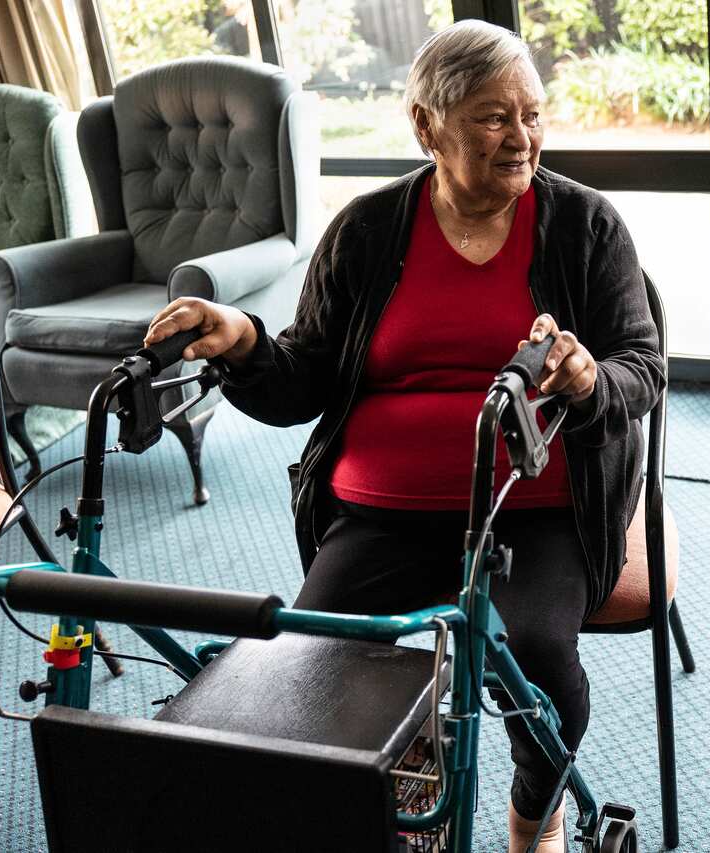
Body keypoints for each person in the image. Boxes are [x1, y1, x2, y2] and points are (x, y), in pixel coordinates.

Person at [143, 20, 664, 852]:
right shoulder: (369, 230)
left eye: (532, 113)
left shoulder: (584, 226)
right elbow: (304, 379)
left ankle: (539, 810)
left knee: (533, 652)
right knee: (314, 660)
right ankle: (403, 785)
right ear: (428, 125)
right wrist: (244, 341)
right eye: (495, 117)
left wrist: (589, 377)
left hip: (533, 509)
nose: (522, 136)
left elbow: (644, 364)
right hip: (378, 512)